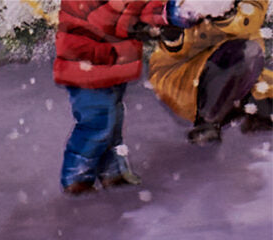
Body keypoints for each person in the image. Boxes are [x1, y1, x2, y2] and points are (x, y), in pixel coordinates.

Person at [54, 0, 195, 195]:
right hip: (86, 61)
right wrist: (136, 27)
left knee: (113, 119)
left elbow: (143, 6)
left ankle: (112, 171)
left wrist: (168, 14)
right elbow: (100, 17)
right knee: (98, 122)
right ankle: (77, 175)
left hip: (114, 61)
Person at [149, 0, 272, 144]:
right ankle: (207, 122)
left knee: (250, 60)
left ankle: (254, 115)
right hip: (186, 80)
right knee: (245, 53)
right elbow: (178, 47)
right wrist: (174, 39)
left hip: (241, 76)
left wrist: (224, 15)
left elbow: (249, 20)